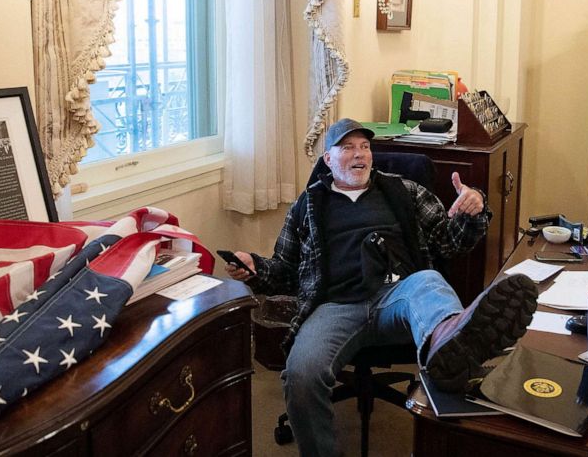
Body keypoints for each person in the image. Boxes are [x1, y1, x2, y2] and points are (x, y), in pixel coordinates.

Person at [225, 118, 537, 457]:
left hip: (400, 296)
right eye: (347, 148)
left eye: (365, 147)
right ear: (327, 160)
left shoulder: (403, 190)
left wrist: (472, 211)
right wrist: (255, 268)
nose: (360, 155)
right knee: (300, 376)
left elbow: (451, 244)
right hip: (335, 306)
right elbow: (285, 271)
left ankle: (449, 344)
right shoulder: (307, 206)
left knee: (429, 281)